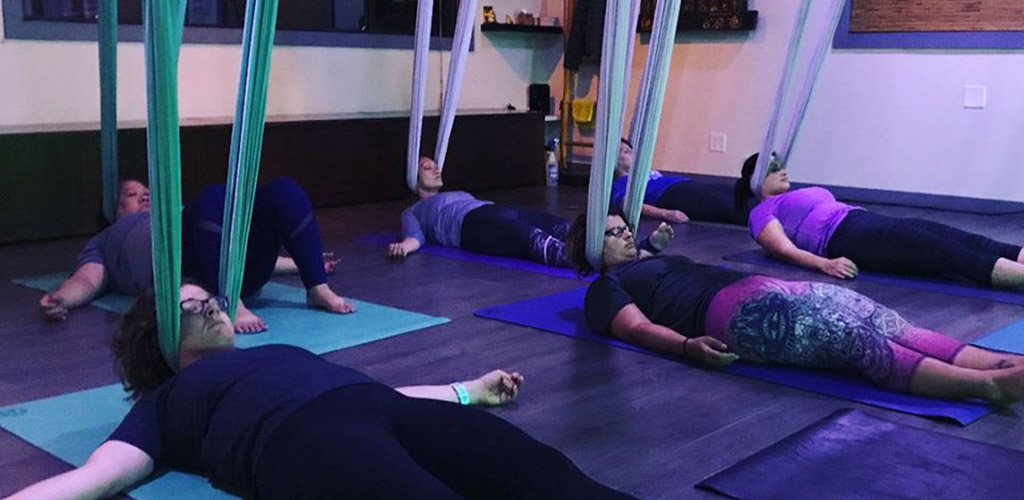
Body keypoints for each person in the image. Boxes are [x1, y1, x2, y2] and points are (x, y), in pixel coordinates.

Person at [7, 283, 637, 500]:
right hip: (297, 442)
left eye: (209, 298)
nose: (210, 304)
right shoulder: (167, 402)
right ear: (160, 342)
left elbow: (385, 393)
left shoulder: (273, 351)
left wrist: (467, 390)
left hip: (376, 408)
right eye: (190, 303)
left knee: (548, 476)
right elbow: (95, 480)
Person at [565, 211, 1024, 406]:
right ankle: (986, 386)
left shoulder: (644, 260)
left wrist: (649, 244)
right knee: (852, 339)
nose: (625, 233)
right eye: (612, 233)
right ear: (590, 249)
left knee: (882, 319)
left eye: (624, 226)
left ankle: (1003, 362)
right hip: (729, 315)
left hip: (767, 287)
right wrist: (687, 347)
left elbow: (648, 256)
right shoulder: (604, 288)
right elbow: (636, 329)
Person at [39, 178, 353, 333]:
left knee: (284, 189)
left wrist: (303, 263)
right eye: (131, 195)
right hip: (194, 280)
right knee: (214, 197)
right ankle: (231, 300)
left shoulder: (183, 213)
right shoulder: (106, 238)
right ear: (114, 212)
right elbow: (88, 278)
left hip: (232, 261)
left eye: (147, 190)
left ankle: (317, 287)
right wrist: (61, 299)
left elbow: (220, 244)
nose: (144, 195)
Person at [734, 153, 1024, 287]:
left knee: (959, 237)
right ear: (755, 180)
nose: (782, 171)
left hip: (865, 221)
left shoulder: (793, 195)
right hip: (847, 239)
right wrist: (825, 264)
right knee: (943, 252)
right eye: (773, 168)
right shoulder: (761, 213)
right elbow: (784, 250)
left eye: (781, 164)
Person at [388, 157, 572, 267]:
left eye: (436, 166)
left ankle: (598, 243)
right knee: (536, 240)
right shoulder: (413, 211)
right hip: (471, 225)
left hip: (493, 209)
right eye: (427, 167)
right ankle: (587, 261)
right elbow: (415, 236)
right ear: (413, 177)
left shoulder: (456, 193)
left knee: (562, 227)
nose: (436, 170)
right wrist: (403, 247)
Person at [612, 139, 741, 225]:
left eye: (630, 149)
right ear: (614, 161)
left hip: (686, 184)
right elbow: (629, 204)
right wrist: (666, 213)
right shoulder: (619, 184)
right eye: (625, 151)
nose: (632, 153)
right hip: (670, 195)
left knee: (734, 192)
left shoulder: (645, 172)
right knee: (728, 206)